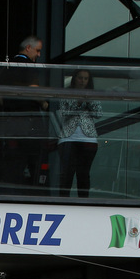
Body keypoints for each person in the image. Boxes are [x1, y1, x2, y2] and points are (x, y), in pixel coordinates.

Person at [0, 35, 48, 190]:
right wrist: (44, 102)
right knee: (36, 163)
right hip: (30, 123)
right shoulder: (27, 66)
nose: (39, 55)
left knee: (13, 165)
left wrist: (10, 106)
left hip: (10, 124)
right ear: (28, 48)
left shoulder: (6, 67)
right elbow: (33, 90)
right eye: (38, 51)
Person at [58, 69, 102, 198]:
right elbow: (62, 113)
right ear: (74, 79)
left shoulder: (92, 94)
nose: (82, 81)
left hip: (88, 137)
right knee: (67, 173)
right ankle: (63, 202)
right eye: (80, 78)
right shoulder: (66, 93)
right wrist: (78, 104)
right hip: (68, 136)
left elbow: (98, 114)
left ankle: (83, 202)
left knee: (83, 173)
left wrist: (88, 101)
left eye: (85, 78)